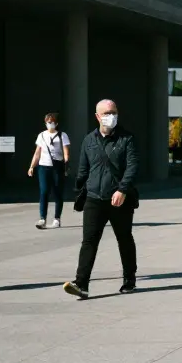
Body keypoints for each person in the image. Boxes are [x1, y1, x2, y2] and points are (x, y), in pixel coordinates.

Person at [63, 100, 138, 299]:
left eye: (114, 112)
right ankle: (81, 284)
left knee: (124, 239)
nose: (111, 116)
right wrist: (80, 190)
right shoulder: (89, 140)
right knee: (89, 241)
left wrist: (122, 189)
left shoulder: (127, 139)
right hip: (94, 198)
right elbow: (83, 170)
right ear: (97, 116)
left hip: (119, 198)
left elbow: (132, 166)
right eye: (106, 113)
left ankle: (129, 280)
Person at [29, 112, 70, 229]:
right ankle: (42, 218)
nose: (50, 124)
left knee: (57, 192)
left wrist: (66, 163)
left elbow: (66, 152)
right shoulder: (42, 135)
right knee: (44, 191)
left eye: (52, 122)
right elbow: (37, 153)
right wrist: (32, 166)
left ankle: (57, 218)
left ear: (56, 123)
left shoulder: (62, 135)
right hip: (43, 166)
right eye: (48, 122)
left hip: (57, 166)